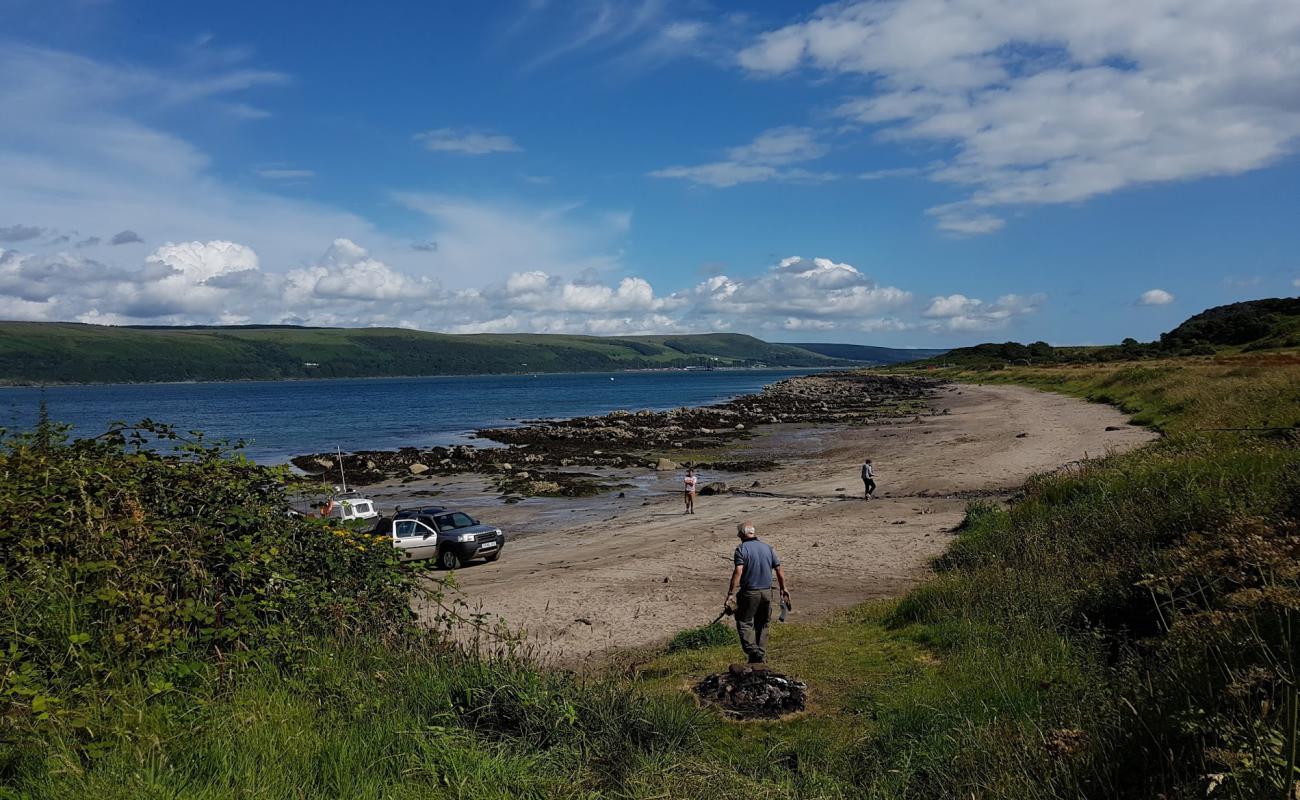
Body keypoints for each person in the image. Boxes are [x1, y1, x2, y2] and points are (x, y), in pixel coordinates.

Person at [725, 521, 790, 665]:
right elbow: (779, 570)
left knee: (744, 622)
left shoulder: (741, 549)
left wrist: (730, 593)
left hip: (749, 593)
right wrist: (783, 588)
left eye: (739, 534)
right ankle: (759, 656)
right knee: (763, 624)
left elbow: (738, 571)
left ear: (742, 534)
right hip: (767, 592)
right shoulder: (768, 548)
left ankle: (753, 651)